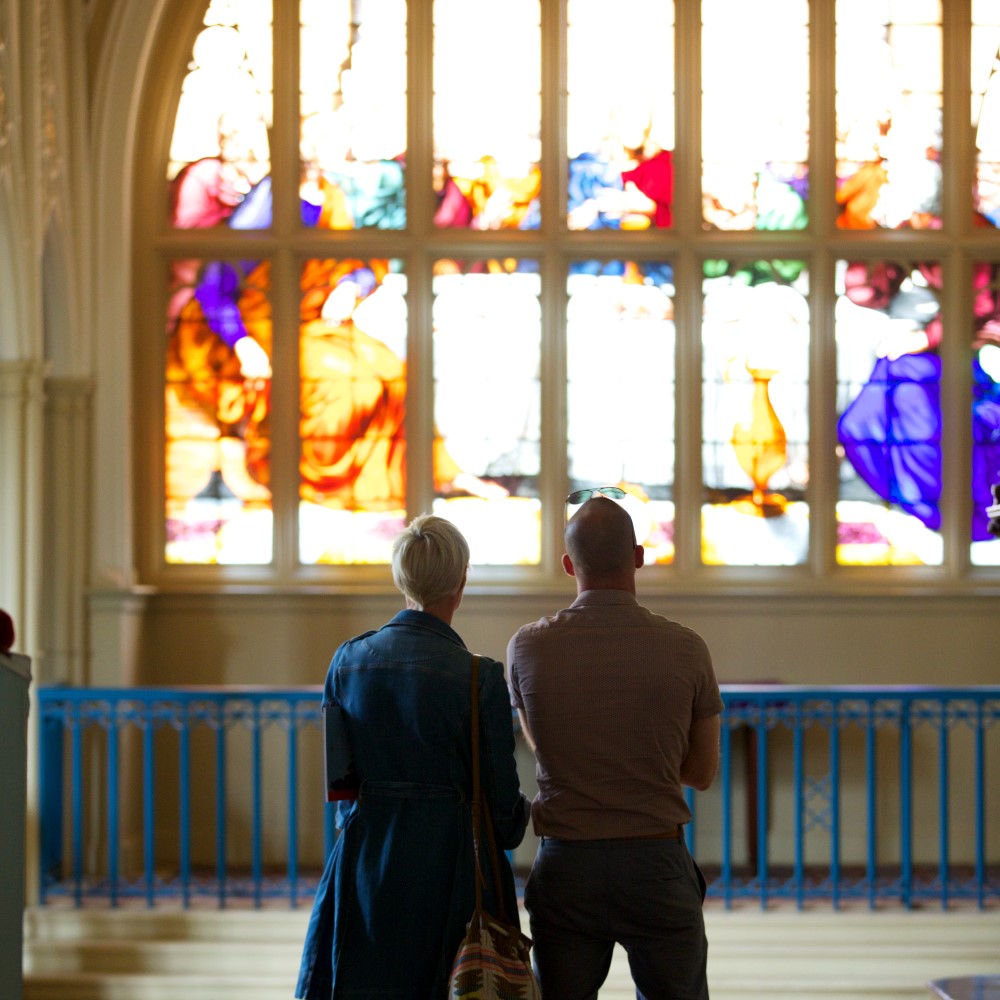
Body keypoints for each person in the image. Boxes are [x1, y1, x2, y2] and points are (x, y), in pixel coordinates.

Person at [295, 514, 530, 999]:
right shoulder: (478, 678)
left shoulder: (347, 661)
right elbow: (502, 814)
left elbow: (341, 786)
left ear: (400, 579)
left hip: (365, 867)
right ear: (461, 581)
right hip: (451, 874)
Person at [508, 488, 723, 1000]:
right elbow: (701, 772)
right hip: (656, 865)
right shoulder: (687, 649)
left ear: (567, 564)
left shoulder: (528, 647)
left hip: (567, 866)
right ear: (639, 558)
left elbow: (543, 747)